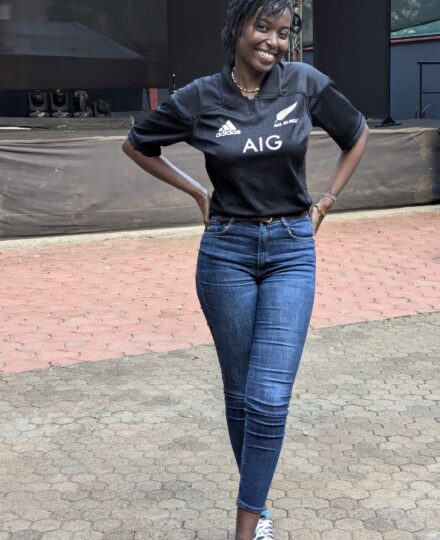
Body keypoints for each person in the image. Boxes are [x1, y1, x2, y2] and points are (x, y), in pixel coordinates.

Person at [122, 1, 369, 538]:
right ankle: (261, 514)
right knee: (239, 396)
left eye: (283, 32)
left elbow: (357, 134)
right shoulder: (201, 97)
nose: (273, 42)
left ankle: (243, 528)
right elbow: (137, 144)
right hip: (226, 252)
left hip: (290, 251)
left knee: (269, 398)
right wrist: (197, 192)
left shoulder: (304, 84)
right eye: (263, 27)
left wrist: (324, 204)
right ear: (237, 28)